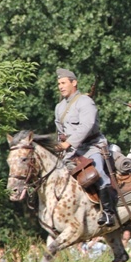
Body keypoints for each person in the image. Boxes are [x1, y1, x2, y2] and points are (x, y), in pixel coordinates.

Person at [54, 68, 116, 227]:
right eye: (59, 83)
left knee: (98, 173)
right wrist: (60, 144)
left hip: (92, 146)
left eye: (63, 83)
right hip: (71, 150)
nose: (60, 86)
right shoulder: (59, 107)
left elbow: (87, 125)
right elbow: (60, 131)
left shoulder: (85, 101)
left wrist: (69, 142)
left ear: (74, 83)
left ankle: (109, 213)